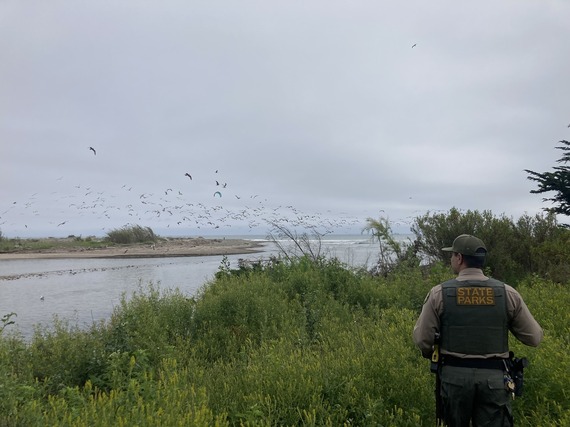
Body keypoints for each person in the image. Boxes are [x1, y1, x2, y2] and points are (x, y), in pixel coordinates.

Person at [412, 234, 543, 427]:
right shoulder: (507, 293)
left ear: (459, 258)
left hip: (454, 379)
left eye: (452, 255)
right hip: (495, 380)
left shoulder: (439, 293)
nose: (451, 259)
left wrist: (430, 354)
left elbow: (423, 339)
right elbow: (534, 337)